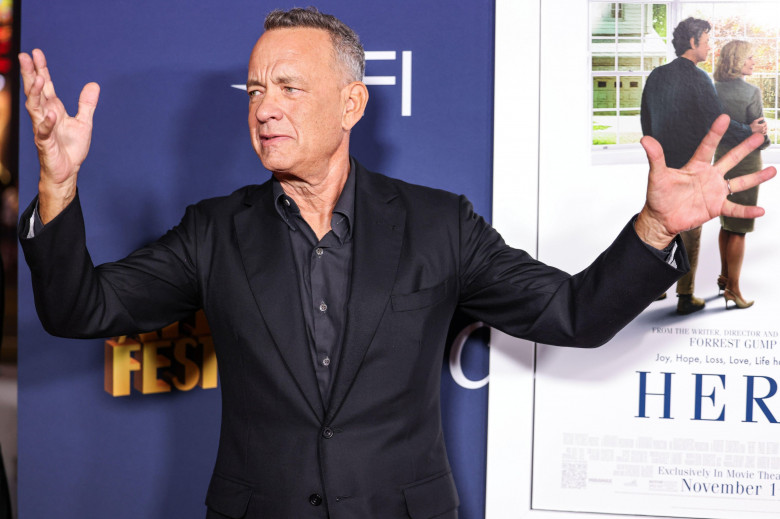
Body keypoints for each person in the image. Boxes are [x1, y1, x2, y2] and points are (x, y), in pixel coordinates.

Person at [18, 7, 775, 519]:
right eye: (254, 89)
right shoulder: (215, 231)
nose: (263, 106)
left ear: (352, 103)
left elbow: (572, 313)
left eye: (288, 86)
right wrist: (56, 181)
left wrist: (653, 227)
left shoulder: (438, 223)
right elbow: (77, 308)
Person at [640, 17, 767, 315]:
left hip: (661, 164)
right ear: (693, 42)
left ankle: (656, 287)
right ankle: (685, 296)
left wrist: (656, 154)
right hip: (690, 164)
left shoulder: (656, 75)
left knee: (660, 224)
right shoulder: (698, 79)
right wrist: (752, 133)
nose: (710, 47)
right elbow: (717, 122)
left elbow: (646, 120)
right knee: (689, 229)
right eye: (707, 41)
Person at [713, 40, 770, 309]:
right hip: (746, 164)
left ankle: (725, 278)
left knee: (726, 223)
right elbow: (758, 135)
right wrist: (764, 136)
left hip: (720, 163)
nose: (753, 62)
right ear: (736, 60)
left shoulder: (712, 91)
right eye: (748, 58)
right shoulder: (751, 92)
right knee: (740, 229)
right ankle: (734, 290)